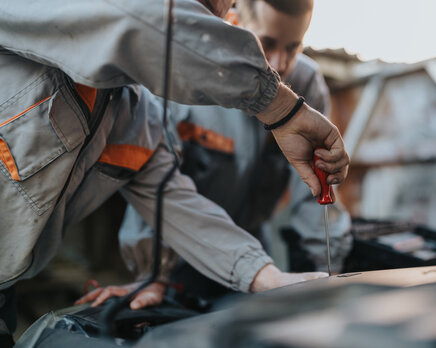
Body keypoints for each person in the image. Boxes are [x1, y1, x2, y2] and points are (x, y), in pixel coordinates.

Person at [0, 0, 349, 348]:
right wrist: (281, 108)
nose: (220, 8)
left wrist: (268, 277)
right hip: (178, 270)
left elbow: (174, 203)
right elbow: (143, 18)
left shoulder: (134, 119)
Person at [77, 0, 353, 311]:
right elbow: (154, 181)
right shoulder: (178, 79)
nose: (281, 62)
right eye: (267, 43)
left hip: (253, 254)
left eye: (294, 47)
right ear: (232, 22)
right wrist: (153, 273)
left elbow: (315, 194)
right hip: (178, 255)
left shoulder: (306, 85)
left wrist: (328, 273)